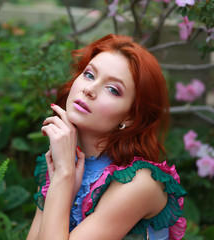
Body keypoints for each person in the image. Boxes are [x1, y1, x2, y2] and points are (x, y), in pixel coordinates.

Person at [26, 34, 187, 240]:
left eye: (112, 89)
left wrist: (64, 174)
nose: (89, 89)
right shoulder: (63, 161)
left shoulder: (139, 183)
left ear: (130, 117)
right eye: (89, 75)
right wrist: (63, 176)